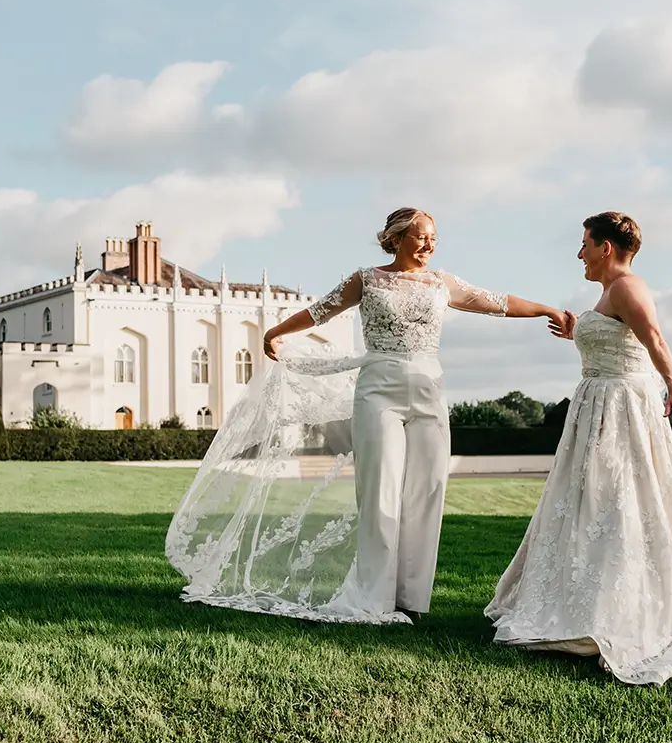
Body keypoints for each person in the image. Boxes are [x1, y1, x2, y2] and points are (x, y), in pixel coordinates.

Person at [168, 207, 565, 624]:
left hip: (430, 394)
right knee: (380, 493)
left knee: (427, 492)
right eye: (421, 236)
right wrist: (276, 331)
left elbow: (497, 302)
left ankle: (411, 599)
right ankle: (374, 598)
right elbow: (321, 310)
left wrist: (548, 310)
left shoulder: (440, 283)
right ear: (395, 239)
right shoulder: (367, 279)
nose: (430, 244)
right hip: (379, 392)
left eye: (434, 237)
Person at [486, 211, 672, 685]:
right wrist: (580, 331)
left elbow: (653, 338)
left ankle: (614, 609)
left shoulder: (629, 287)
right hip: (596, 405)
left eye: (585, 244)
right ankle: (577, 597)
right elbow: (619, 336)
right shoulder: (609, 293)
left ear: (605, 247)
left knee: (616, 501)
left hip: (619, 409)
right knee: (588, 502)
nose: (580, 253)